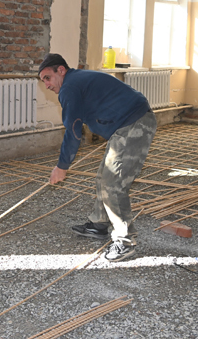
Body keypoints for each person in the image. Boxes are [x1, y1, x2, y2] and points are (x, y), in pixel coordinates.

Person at [38, 53, 157, 262]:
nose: (46, 85)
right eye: (43, 81)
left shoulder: (69, 87)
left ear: (61, 70)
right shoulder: (75, 81)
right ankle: (99, 224)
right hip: (125, 125)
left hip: (134, 123)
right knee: (104, 176)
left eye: (47, 78)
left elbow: (73, 130)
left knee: (113, 183)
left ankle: (125, 242)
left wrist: (62, 166)